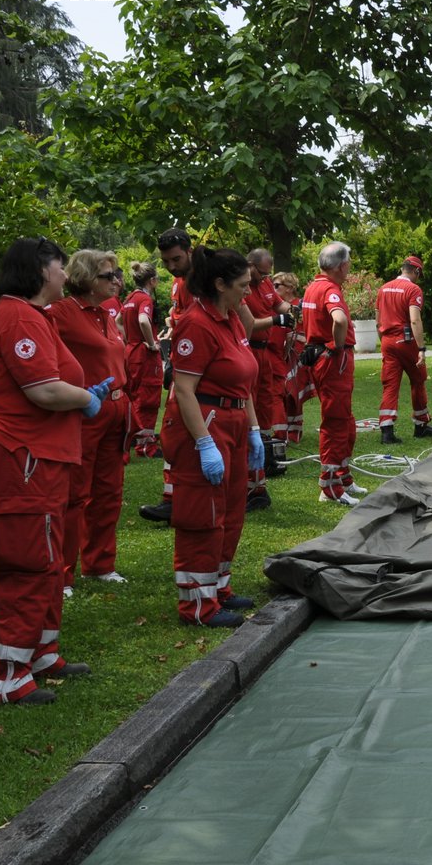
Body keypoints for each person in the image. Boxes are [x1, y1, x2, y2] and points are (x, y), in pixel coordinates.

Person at [0, 237, 110, 704]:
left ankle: (40, 652)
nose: (66, 275)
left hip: (37, 458)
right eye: (59, 266)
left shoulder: (34, 317)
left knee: (47, 560)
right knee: (25, 563)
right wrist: (87, 398)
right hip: (18, 458)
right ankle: (7, 676)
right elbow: (44, 391)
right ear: (39, 270)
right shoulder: (19, 317)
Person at [163, 246, 263, 628]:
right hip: (205, 423)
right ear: (220, 284)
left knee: (232, 511)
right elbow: (184, 389)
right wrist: (204, 443)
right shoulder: (196, 324)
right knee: (203, 514)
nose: (248, 293)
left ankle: (219, 588)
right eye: (242, 286)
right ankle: (197, 604)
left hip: (234, 421)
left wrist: (253, 429)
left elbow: (243, 381)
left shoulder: (230, 319)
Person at [52, 249, 135, 595]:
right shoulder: (60, 313)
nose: (116, 281)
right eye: (107, 275)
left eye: (116, 275)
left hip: (116, 411)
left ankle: (100, 564)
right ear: (85, 278)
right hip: (86, 412)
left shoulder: (106, 314)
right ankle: (63, 572)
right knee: (75, 494)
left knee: (109, 492)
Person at [138, 228, 197, 524]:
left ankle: (186, 499)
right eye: (166, 262)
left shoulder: (203, 281)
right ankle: (174, 499)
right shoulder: (179, 282)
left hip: (199, 368)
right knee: (173, 433)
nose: (172, 266)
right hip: (182, 362)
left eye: (176, 259)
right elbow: (178, 320)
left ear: (189, 250)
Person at [302, 242, 362, 504]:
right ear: (341, 266)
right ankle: (329, 487)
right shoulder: (328, 289)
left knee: (345, 420)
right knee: (336, 422)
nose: (350, 266)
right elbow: (339, 319)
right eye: (348, 261)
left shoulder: (313, 287)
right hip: (334, 360)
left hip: (324, 359)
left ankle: (342, 476)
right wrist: (336, 347)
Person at [239, 248, 294, 510]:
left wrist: (292, 309)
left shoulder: (263, 283)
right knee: (248, 410)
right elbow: (248, 324)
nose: (265, 278)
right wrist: (276, 319)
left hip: (263, 353)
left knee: (264, 407)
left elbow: (278, 304)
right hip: (249, 348)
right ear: (249, 265)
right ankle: (251, 477)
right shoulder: (240, 286)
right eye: (262, 272)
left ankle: (262, 467)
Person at [376, 255, 432, 443]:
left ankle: (386, 430)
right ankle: (421, 425)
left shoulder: (383, 288)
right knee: (418, 380)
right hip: (406, 341)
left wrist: (384, 340)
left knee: (390, 385)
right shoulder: (413, 289)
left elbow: (378, 321)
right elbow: (415, 319)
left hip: (387, 341)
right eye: (419, 274)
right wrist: (421, 348)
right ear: (416, 271)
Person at [122, 262, 164, 458]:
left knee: (134, 395)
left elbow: (117, 323)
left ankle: (132, 439)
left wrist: (129, 339)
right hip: (144, 354)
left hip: (130, 351)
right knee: (147, 398)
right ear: (152, 280)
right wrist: (151, 343)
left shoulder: (129, 298)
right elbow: (143, 320)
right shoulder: (145, 300)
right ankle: (146, 446)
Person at [272, 272, 309, 446]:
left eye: (277, 285)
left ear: (290, 288)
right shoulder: (280, 306)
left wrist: (286, 353)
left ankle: (292, 432)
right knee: (287, 392)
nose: (273, 288)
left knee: (291, 392)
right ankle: (289, 430)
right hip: (284, 354)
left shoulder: (297, 306)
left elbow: (295, 334)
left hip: (295, 354)